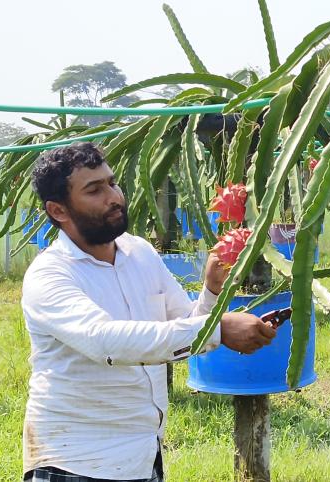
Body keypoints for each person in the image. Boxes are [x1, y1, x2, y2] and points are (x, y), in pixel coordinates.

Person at [20, 142, 276, 481]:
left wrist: (212, 291)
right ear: (58, 211)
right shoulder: (50, 275)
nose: (114, 197)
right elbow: (106, 342)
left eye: (112, 183)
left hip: (143, 456)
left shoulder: (139, 253)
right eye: (94, 190)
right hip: (75, 463)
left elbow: (183, 328)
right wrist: (218, 329)